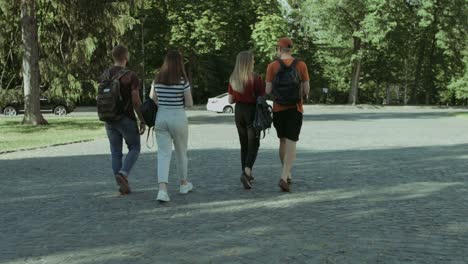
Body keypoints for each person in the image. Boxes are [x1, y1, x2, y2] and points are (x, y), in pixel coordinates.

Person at [265, 38, 310, 192]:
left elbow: (267, 91)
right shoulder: (301, 65)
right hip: (295, 108)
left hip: (278, 109)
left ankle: (287, 172)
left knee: (283, 141)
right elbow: (306, 89)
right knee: (292, 142)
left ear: (279, 48)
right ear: (291, 49)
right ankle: (284, 176)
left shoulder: (272, 66)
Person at [101, 44, 146, 195]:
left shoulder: (105, 74)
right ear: (126, 57)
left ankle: (121, 184)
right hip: (126, 118)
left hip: (109, 118)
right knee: (135, 147)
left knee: (115, 153)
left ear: (113, 57)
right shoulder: (130, 75)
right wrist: (142, 119)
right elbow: (136, 100)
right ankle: (124, 173)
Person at [150, 50, 194, 202]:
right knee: (181, 152)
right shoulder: (183, 80)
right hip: (178, 117)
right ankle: (183, 184)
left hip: (161, 117)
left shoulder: (157, 79)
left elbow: (152, 99)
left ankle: (162, 190)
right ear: (179, 63)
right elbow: (189, 103)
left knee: (163, 154)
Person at [227, 51, 265, 189]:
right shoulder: (256, 78)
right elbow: (262, 97)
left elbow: (230, 100)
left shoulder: (233, 78)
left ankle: (246, 173)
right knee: (254, 143)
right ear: (248, 62)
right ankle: (247, 171)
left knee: (244, 144)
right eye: (253, 60)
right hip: (251, 111)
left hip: (238, 111)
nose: (254, 62)